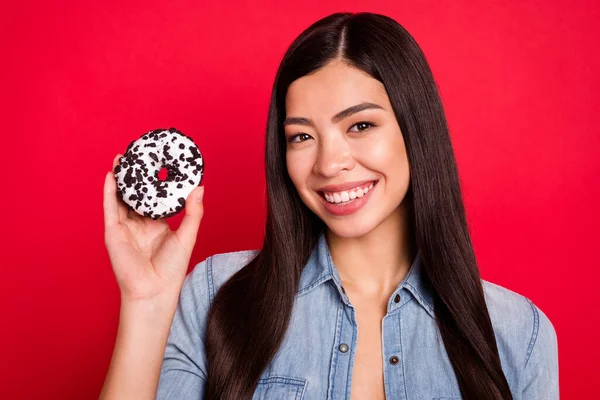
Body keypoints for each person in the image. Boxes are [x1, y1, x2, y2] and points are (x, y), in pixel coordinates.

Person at [100, 12, 559, 400]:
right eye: (301, 136)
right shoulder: (215, 295)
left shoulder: (519, 334)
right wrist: (146, 303)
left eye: (360, 125)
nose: (328, 163)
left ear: (415, 129)